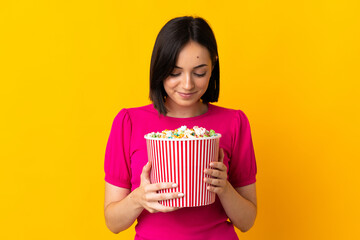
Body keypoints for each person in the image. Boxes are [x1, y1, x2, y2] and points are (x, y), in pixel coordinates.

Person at [104, 16, 257, 240]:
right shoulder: (129, 122)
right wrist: (138, 199)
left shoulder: (234, 122)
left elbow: (247, 222)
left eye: (199, 72)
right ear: (159, 68)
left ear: (212, 67)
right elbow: (113, 223)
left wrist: (224, 188)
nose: (187, 84)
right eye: (175, 72)